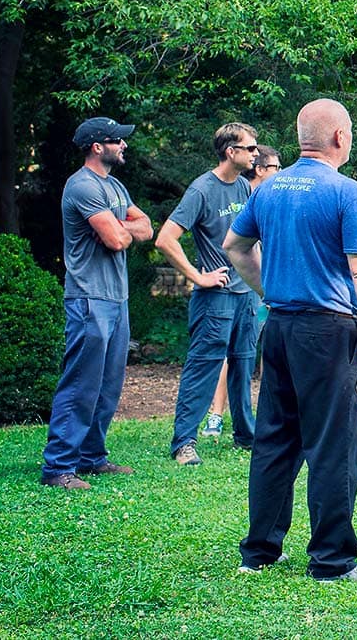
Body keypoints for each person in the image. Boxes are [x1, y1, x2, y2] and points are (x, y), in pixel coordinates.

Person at [224, 98, 357, 581]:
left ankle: (260, 552)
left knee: (275, 440)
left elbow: (235, 246)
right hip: (328, 331)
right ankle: (332, 562)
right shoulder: (347, 193)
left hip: (279, 327)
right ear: (340, 137)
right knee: (334, 444)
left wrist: (270, 289)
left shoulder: (268, 189)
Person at [40, 117, 153, 489]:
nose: (124, 145)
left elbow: (146, 227)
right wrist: (121, 229)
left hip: (116, 298)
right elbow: (116, 241)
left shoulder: (114, 186)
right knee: (81, 384)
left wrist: (120, 226)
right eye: (117, 140)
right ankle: (58, 467)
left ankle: (91, 457)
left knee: (108, 384)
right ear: (97, 146)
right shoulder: (82, 186)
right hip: (89, 297)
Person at [155, 122, 259, 466]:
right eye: (250, 148)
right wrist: (198, 277)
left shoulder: (243, 187)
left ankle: (246, 436)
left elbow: (250, 242)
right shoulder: (202, 189)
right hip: (216, 298)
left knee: (243, 366)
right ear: (231, 152)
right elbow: (165, 239)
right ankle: (184, 443)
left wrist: (263, 287)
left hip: (246, 296)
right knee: (204, 367)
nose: (255, 154)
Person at [199, 143, 281, 439]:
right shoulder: (243, 198)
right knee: (230, 354)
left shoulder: (269, 200)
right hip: (238, 290)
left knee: (263, 352)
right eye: (275, 168)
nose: (280, 173)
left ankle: (262, 418)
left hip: (264, 291)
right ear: (259, 169)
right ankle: (215, 416)